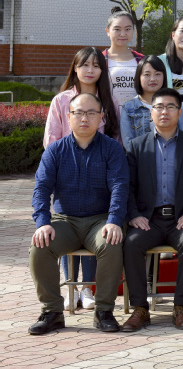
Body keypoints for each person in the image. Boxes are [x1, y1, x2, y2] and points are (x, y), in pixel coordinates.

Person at [28, 93, 127, 335]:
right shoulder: (55, 151)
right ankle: (52, 312)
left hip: (100, 220)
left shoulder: (112, 149)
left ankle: (104, 311)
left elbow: (119, 186)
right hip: (66, 221)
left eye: (91, 113)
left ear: (101, 117)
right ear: (68, 116)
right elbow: (41, 189)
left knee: (111, 243)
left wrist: (114, 220)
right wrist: (43, 222)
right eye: (79, 113)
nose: (85, 118)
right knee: (40, 246)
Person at [120, 88, 183, 332]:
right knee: (131, 243)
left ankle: (180, 306)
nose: (164, 112)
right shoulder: (136, 146)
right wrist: (134, 215)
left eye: (170, 107)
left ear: (180, 112)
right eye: (158, 107)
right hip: (149, 219)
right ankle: (140, 308)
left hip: (182, 218)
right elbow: (127, 187)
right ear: (151, 113)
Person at [43, 47, 120, 311]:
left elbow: (116, 138)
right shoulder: (61, 100)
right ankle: (71, 288)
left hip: (99, 175)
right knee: (67, 221)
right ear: (75, 69)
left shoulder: (109, 101)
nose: (90, 70)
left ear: (102, 70)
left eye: (96, 65)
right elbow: (51, 140)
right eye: (84, 65)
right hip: (67, 174)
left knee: (95, 226)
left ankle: (87, 288)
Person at [120, 55, 167, 146]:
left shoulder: (172, 105)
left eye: (157, 74)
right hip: (139, 155)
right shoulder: (128, 107)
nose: (152, 79)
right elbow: (128, 144)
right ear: (139, 77)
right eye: (147, 75)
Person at [103, 8, 143, 108]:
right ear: (108, 31)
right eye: (117, 29)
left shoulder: (142, 60)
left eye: (128, 29)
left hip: (138, 115)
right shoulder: (99, 60)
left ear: (133, 31)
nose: (123, 34)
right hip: (108, 115)